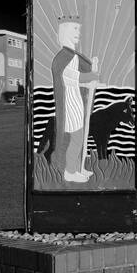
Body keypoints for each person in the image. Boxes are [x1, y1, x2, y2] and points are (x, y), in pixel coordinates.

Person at [51, 18, 99, 183]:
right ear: (65, 31)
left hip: (75, 99)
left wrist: (90, 80)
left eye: (79, 29)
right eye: (75, 29)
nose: (78, 33)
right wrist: (91, 76)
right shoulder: (65, 56)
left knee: (79, 136)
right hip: (69, 102)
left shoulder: (72, 55)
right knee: (76, 137)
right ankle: (70, 172)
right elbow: (70, 77)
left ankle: (78, 167)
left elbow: (75, 79)